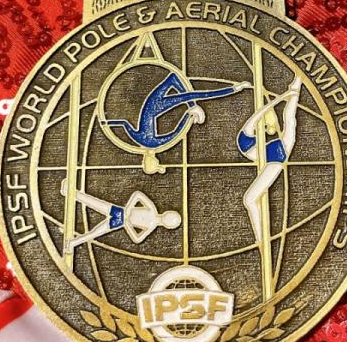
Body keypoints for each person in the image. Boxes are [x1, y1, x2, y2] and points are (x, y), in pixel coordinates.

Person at [104, 71, 251, 150]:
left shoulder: (152, 143)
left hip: (155, 106)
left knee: (191, 94)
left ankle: (235, 88)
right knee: (187, 90)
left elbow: (176, 132)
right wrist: (107, 123)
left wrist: (190, 112)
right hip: (154, 106)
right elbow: (124, 123)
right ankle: (235, 88)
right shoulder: (146, 141)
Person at [237, 77, 302, 253]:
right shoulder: (247, 134)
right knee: (250, 200)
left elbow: (264, 115)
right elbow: (259, 114)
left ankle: (261, 240)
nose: (268, 127)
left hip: (275, 158)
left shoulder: (250, 137)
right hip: (274, 156)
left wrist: (285, 96)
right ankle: (261, 240)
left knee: (250, 200)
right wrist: (281, 97)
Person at [63, 189, 181, 253]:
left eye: (169, 220)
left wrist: (127, 225)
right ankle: (70, 191)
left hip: (119, 222)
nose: (167, 218)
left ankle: (72, 243)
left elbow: (137, 239)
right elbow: (137, 195)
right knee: (94, 202)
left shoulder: (151, 226)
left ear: (167, 226)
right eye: (170, 216)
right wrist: (128, 209)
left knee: (94, 233)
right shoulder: (152, 209)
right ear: (167, 212)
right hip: (119, 212)